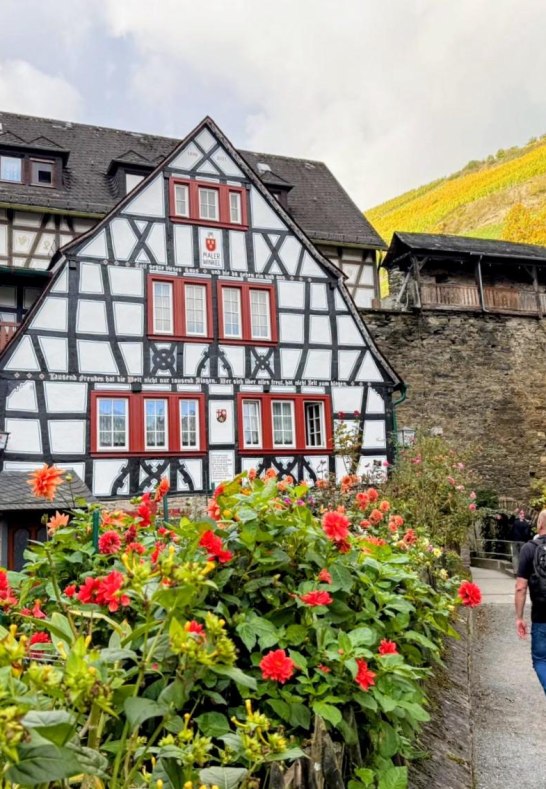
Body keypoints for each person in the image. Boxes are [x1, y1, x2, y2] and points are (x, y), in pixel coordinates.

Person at [515, 509, 546, 693]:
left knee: (541, 660)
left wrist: (519, 617)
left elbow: (520, 587)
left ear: (540, 524)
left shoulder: (529, 548)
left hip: (542, 617)